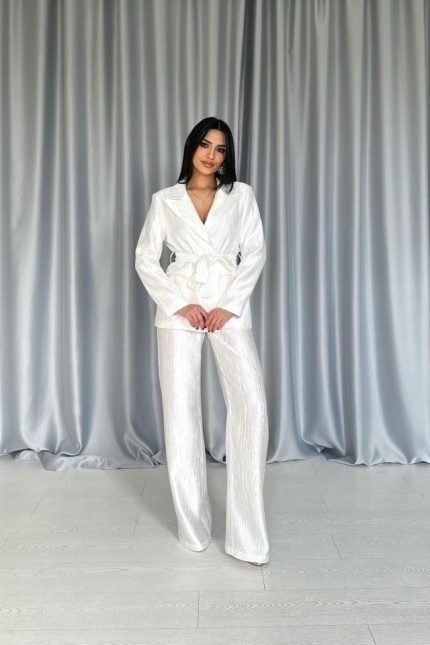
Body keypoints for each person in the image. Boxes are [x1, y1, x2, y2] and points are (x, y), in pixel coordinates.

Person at [135, 116, 270, 565]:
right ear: (192, 147)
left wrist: (230, 304)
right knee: (181, 414)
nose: (212, 155)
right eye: (205, 145)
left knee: (251, 406)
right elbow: (146, 258)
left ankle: (248, 535)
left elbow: (255, 252)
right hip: (180, 310)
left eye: (221, 149)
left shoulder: (241, 195)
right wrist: (179, 304)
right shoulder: (165, 200)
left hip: (229, 305)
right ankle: (193, 528)